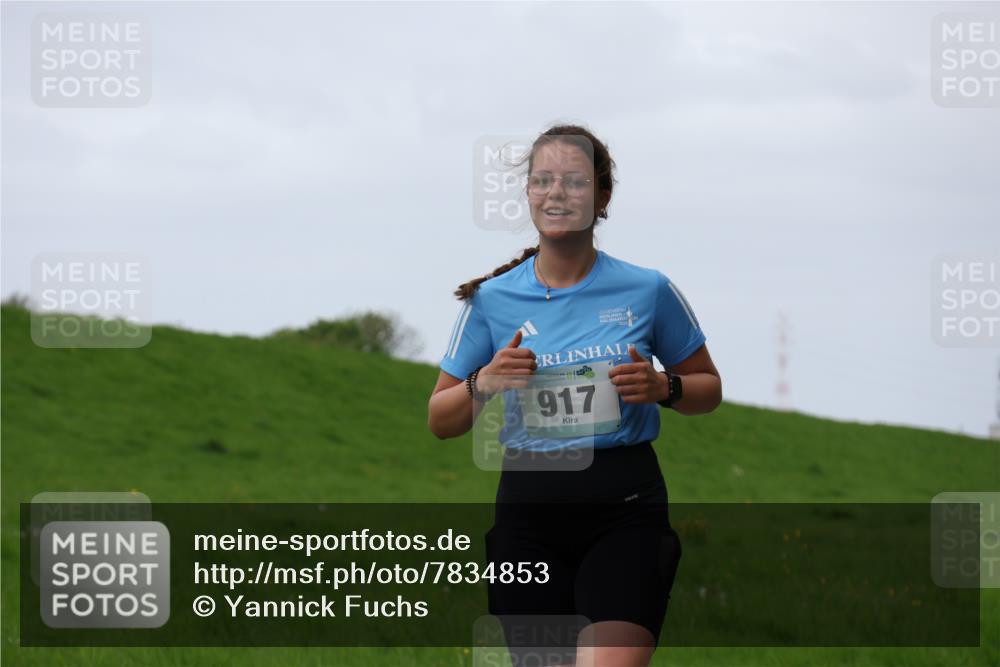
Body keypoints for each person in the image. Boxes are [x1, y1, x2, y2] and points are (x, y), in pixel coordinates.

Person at [427, 124, 722, 667]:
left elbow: (708, 389)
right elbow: (441, 419)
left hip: (625, 510)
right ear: (528, 195)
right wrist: (484, 382)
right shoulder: (493, 300)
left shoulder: (647, 289)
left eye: (574, 181)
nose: (556, 193)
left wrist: (665, 387)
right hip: (527, 518)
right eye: (542, 180)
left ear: (602, 197)